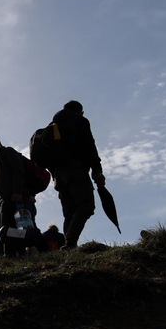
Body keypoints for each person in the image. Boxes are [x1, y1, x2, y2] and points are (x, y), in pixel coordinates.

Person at [52, 100, 105, 250]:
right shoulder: (79, 121)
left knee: (69, 212)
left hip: (58, 175)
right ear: (80, 111)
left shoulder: (52, 127)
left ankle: (67, 246)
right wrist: (97, 170)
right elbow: (89, 145)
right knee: (86, 205)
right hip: (76, 170)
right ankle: (70, 244)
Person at [0, 134, 36, 257]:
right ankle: (13, 253)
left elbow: (18, 171)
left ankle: (13, 254)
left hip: (14, 198)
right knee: (5, 227)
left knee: (12, 228)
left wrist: (17, 192)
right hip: (3, 201)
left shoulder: (8, 152)